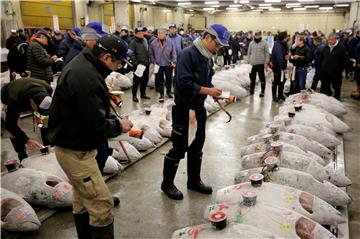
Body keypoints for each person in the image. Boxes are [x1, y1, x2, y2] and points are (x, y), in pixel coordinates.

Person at [47, 36, 133, 238]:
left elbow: (88, 111)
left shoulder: (84, 63)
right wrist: (120, 125)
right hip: (76, 152)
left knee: (81, 199)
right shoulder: (87, 78)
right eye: (118, 62)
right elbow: (97, 125)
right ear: (105, 57)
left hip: (72, 144)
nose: (118, 67)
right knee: (102, 205)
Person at [161, 24, 229, 200]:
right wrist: (207, 91)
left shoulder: (207, 57)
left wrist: (213, 92)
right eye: (218, 44)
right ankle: (167, 184)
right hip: (184, 109)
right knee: (179, 147)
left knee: (197, 144)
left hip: (198, 108)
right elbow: (183, 83)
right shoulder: (188, 54)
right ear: (208, 38)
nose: (219, 48)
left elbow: (206, 81)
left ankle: (193, 181)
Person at [1, 78, 53, 160]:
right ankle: (22, 155)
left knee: (46, 121)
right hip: (9, 95)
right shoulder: (14, 100)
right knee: (13, 130)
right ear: (31, 103)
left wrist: (40, 117)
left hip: (30, 92)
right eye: (39, 110)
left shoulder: (48, 89)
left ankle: (48, 148)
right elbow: (9, 124)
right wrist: (27, 140)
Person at [149, 27, 177, 102]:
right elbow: (151, 54)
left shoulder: (170, 42)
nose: (160, 35)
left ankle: (168, 92)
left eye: (162, 33)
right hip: (158, 65)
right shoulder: (153, 43)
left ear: (165, 34)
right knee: (160, 80)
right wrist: (154, 62)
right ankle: (161, 95)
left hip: (168, 64)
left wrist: (173, 62)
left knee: (169, 79)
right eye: (159, 33)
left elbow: (173, 52)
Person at [319, 34, 348, 100]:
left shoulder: (341, 48)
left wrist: (340, 70)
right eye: (328, 40)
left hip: (336, 72)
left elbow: (345, 61)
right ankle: (324, 100)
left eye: (331, 40)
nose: (330, 41)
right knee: (324, 87)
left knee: (336, 87)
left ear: (336, 39)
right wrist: (322, 67)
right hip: (325, 72)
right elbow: (321, 58)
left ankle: (337, 99)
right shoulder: (325, 47)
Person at [129, 27, 151, 102]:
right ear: (135, 34)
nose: (141, 34)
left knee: (145, 80)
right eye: (139, 33)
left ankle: (143, 94)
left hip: (146, 64)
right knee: (136, 81)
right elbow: (130, 54)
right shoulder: (133, 42)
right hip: (138, 65)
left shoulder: (145, 41)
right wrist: (136, 63)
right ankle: (134, 96)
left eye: (142, 33)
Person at [247, 30, 270, 97]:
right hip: (253, 64)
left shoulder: (264, 43)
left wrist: (266, 62)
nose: (257, 36)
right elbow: (249, 53)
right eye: (256, 35)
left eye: (258, 35)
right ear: (254, 35)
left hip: (261, 63)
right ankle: (251, 91)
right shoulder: (251, 43)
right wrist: (248, 61)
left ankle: (262, 91)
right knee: (252, 78)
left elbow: (267, 54)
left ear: (260, 35)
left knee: (262, 78)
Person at [271, 31, 289, 102]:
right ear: (283, 38)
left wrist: (287, 54)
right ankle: (274, 96)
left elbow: (286, 52)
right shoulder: (277, 45)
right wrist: (283, 68)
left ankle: (280, 95)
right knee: (276, 81)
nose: (287, 38)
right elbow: (279, 58)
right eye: (286, 37)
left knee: (282, 81)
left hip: (282, 66)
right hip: (277, 67)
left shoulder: (284, 44)